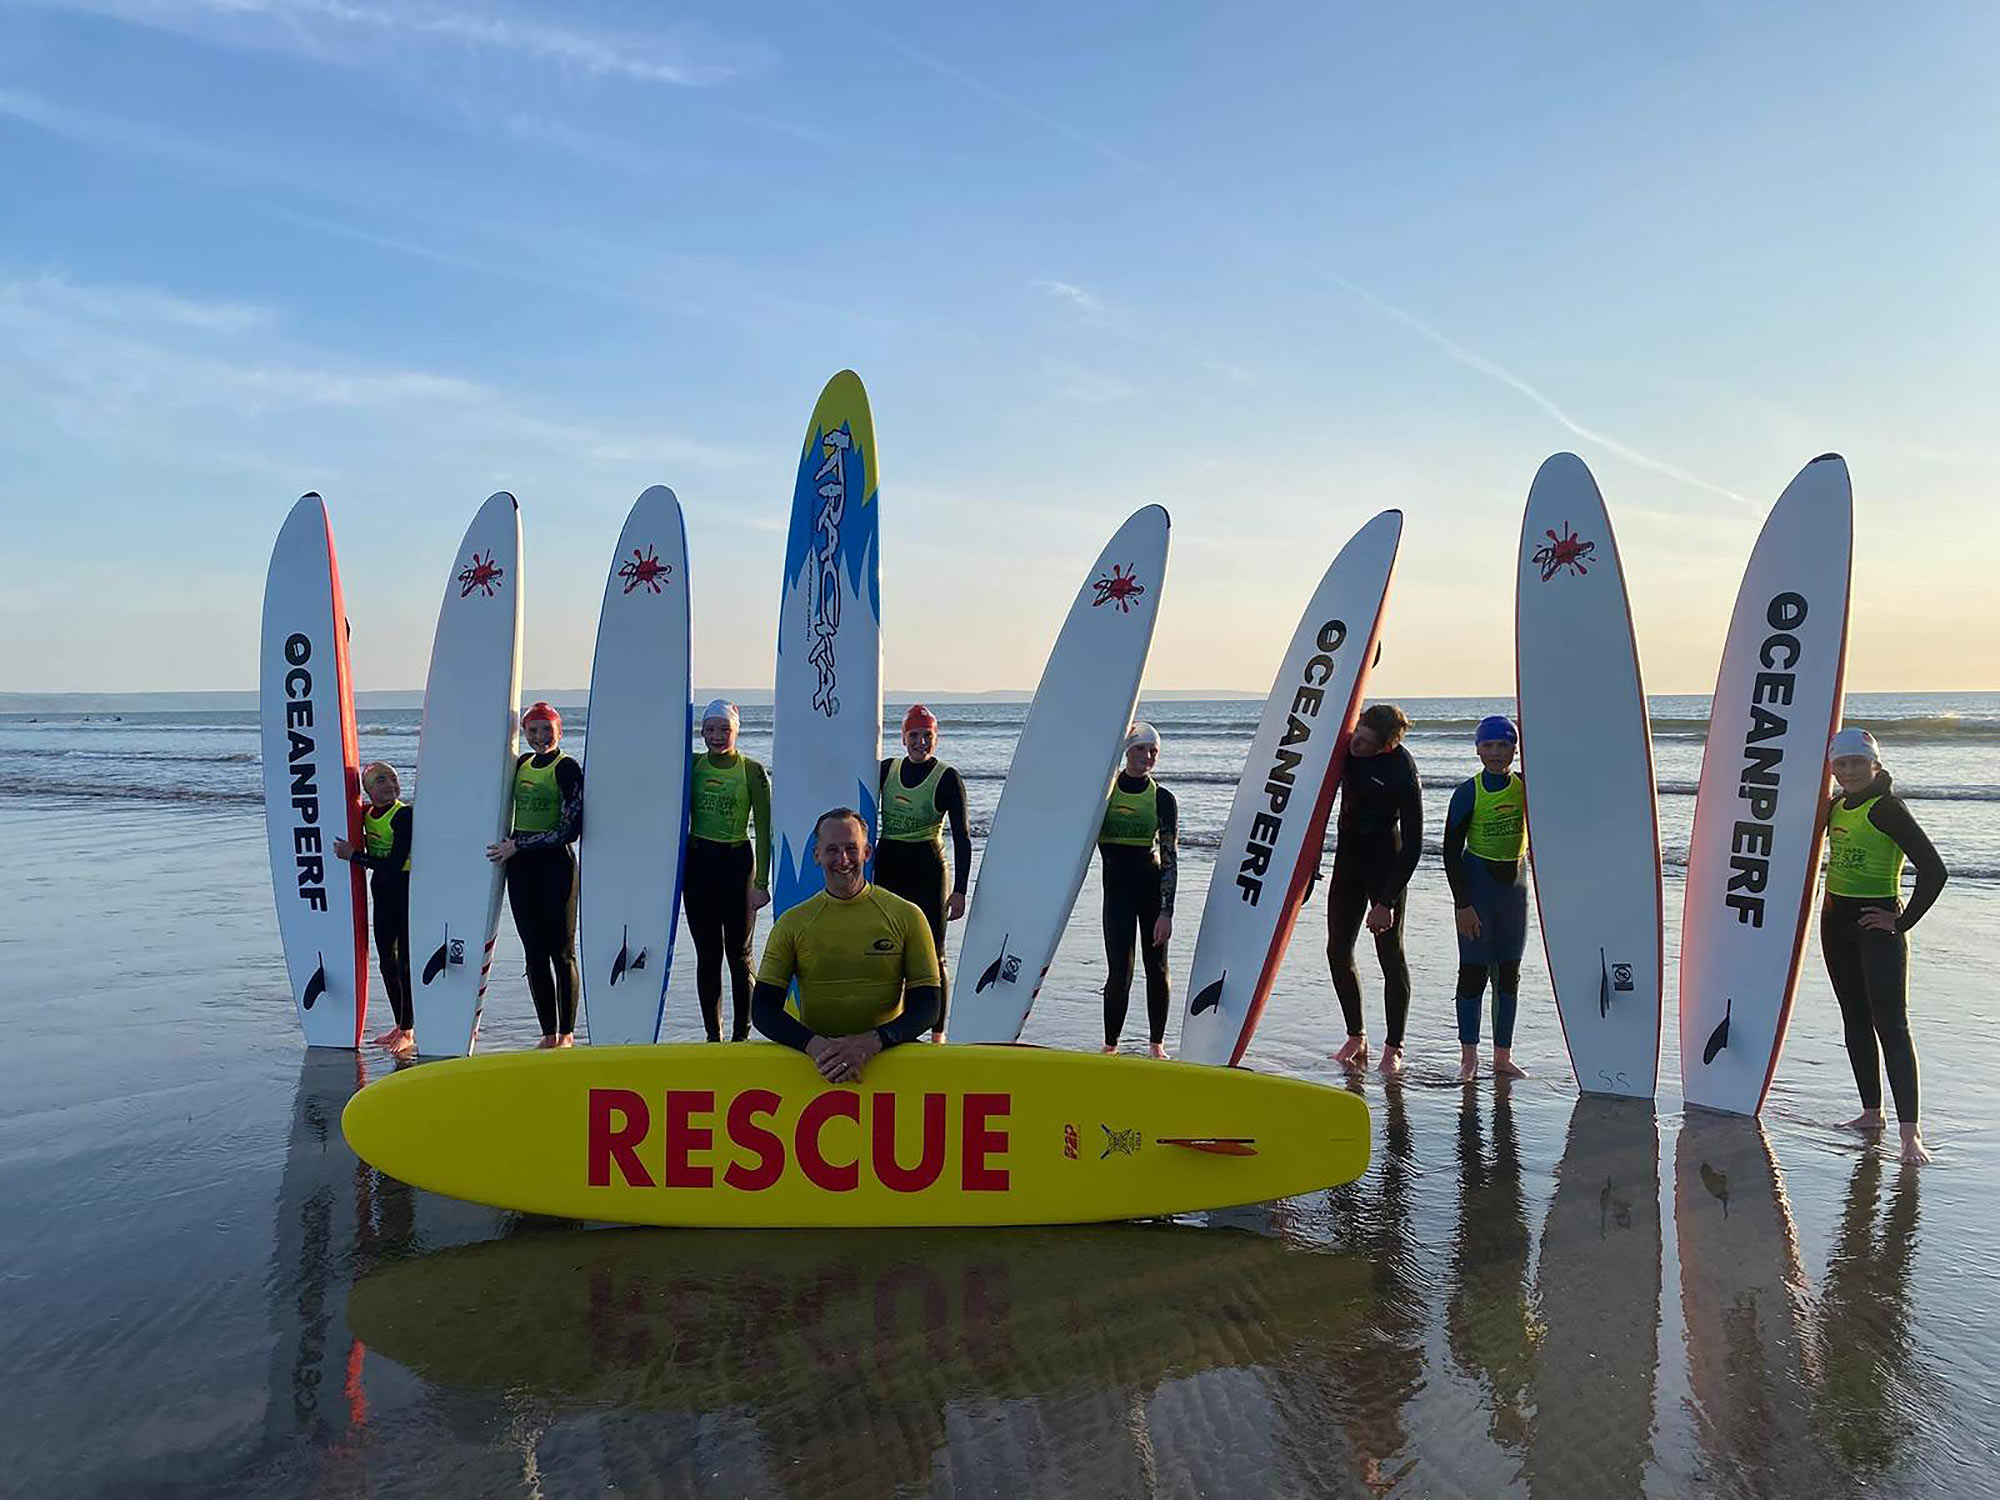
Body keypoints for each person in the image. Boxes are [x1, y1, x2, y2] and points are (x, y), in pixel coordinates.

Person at [1822, 726, 1947, 1164]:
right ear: (1832, 769)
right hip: (1834, 923)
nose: (1850, 770)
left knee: (1891, 1025)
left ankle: (1911, 1136)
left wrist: (1902, 921)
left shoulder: (1887, 808)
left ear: (1875, 764)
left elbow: (1934, 870)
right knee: (1854, 1018)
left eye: (1858, 762)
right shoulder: (1836, 806)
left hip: (1877, 927)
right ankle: (1871, 1114)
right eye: (1841, 763)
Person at [750, 807, 941, 1082]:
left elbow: (928, 1005)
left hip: (888, 1058)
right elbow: (763, 1009)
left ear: (867, 852)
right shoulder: (793, 923)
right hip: (819, 1063)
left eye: (852, 848)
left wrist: (873, 1042)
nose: (843, 859)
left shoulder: (906, 915)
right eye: (832, 850)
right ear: (816, 855)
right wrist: (814, 1045)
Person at [1326, 702, 1423, 1076]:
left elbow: (1413, 845)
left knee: (1390, 956)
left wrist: (1386, 902)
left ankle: (1394, 1047)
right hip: (1347, 862)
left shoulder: (1402, 770)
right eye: (1358, 735)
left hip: (1385, 867)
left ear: (1387, 746)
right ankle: (1356, 1036)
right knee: (1337, 950)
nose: (1357, 745)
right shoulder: (1345, 749)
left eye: (1366, 743)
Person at [486, 701, 584, 1048]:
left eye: (547, 730)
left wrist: (519, 845)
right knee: (534, 953)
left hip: (555, 867)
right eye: (533, 730)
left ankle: (567, 1033)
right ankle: (547, 1033)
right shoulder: (521, 764)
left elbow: (570, 829)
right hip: (521, 869)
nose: (540, 737)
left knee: (562, 952)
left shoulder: (566, 768)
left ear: (560, 731)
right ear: (524, 733)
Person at [876, 705, 972, 1042]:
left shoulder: (947, 778)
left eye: (927, 736)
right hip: (888, 867)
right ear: (903, 738)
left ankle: (937, 1035)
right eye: (914, 735)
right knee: (888, 952)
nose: (921, 742)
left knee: (934, 955)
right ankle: (895, 1027)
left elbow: (962, 837)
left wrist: (960, 890)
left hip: (928, 871)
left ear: (936, 738)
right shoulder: (886, 770)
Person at [1444, 715, 1531, 1082]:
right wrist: (1462, 905)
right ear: (1478, 749)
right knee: (1474, 971)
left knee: (1509, 973)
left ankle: (1502, 1057)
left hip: (1515, 890)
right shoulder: (1468, 792)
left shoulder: (1527, 787)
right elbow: (1450, 853)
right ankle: (1469, 1058)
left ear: (1515, 749)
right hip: (1477, 888)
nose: (1496, 753)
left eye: (1503, 745)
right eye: (1488, 745)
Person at [685, 699, 772, 1041]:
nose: (717, 736)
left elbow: (764, 829)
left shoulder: (752, 770)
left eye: (724, 729)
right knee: (707, 955)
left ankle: (741, 1035)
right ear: (702, 732)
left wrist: (761, 884)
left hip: (737, 865)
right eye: (710, 729)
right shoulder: (692, 764)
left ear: (737, 730)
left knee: (740, 955)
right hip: (699, 866)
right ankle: (713, 1036)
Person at [1099, 722, 1179, 1058]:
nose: (1147, 756)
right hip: (1116, 893)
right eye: (1141, 749)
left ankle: (1157, 1045)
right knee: (1120, 971)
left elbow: (1170, 857)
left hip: (1150, 891)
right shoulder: (1103, 793)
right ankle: (1110, 1046)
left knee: (1156, 968)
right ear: (1127, 751)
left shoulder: (1162, 799)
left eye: (1153, 751)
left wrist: (1166, 912)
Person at [333, 761, 414, 1056]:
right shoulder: (366, 814)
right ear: (367, 789)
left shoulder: (404, 815)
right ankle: (399, 1024)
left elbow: (394, 863)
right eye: (381, 781)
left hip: (405, 889)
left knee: (405, 963)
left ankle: (408, 1029)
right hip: (381, 890)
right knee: (386, 962)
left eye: (393, 779)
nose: (390, 785)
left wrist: (355, 856)